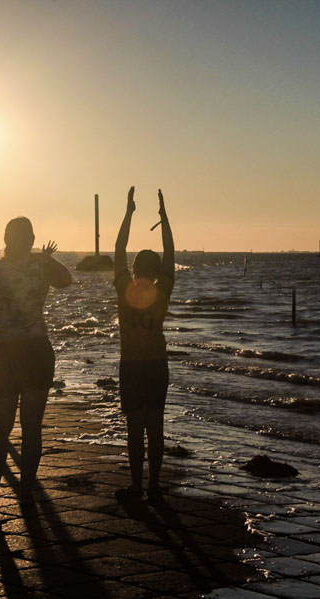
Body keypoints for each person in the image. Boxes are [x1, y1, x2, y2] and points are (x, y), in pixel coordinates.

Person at [0, 217, 72, 509]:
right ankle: (26, 491)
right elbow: (66, 280)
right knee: (31, 427)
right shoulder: (41, 264)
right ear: (31, 239)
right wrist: (44, 258)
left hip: (7, 350)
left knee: (0, 428)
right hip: (33, 350)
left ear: (6, 238)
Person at [114, 187, 175, 502]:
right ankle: (152, 486)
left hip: (132, 366)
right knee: (155, 427)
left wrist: (129, 213)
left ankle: (138, 486)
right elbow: (171, 255)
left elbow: (118, 248)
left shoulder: (125, 287)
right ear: (156, 270)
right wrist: (165, 220)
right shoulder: (163, 289)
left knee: (135, 428)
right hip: (156, 364)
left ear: (135, 269)